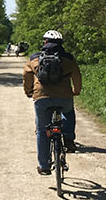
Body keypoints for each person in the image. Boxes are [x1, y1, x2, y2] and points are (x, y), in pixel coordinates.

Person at [23, 30, 81, 175]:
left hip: (41, 98)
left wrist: (29, 91)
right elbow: (77, 75)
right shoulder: (68, 58)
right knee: (68, 111)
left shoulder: (35, 58)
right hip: (64, 96)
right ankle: (68, 138)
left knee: (43, 131)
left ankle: (44, 166)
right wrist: (76, 90)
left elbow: (27, 75)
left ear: (44, 42)